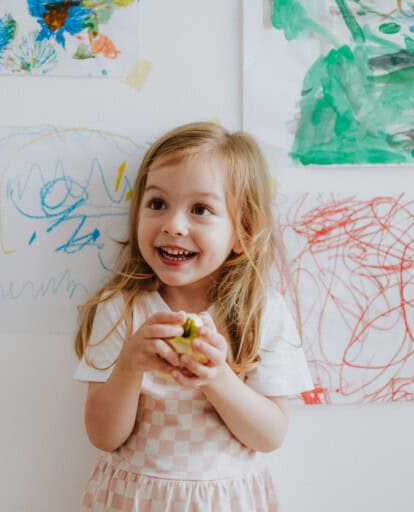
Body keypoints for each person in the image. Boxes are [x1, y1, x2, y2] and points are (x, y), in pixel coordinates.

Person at [73, 121, 313, 511]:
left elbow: (269, 436)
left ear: (243, 233)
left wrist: (217, 377)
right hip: (136, 499)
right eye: (157, 204)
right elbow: (103, 435)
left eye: (200, 209)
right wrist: (130, 365)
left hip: (225, 500)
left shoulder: (262, 312)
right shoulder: (121, 309)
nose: (173, 225)